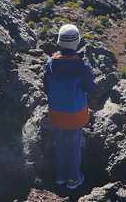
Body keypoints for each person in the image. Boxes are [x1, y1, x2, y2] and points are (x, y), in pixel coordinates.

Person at [42, 24, 97, 189]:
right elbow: (91, 89)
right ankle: (73, 179)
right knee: (74, 147)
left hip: (56, 114)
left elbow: (46, 87)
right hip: (75, 116)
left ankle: (60, 176)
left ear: (59, 42)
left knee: (59, 145)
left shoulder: (50, 64)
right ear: (77, 42)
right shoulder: (81, 67)